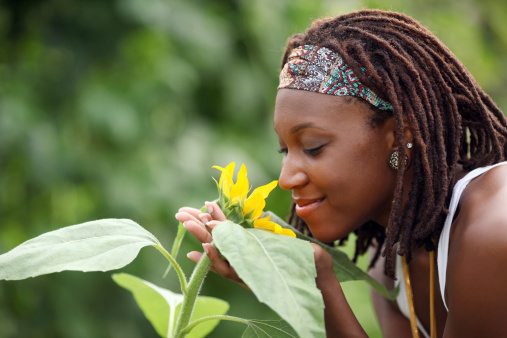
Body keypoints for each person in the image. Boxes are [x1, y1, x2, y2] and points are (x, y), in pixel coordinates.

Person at [175, 9, 507, 337]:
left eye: (313, 147)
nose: (286, 178)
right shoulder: (390, 272)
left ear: (399, 136)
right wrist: (311, 281)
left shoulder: (493, 230)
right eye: (284, 150)